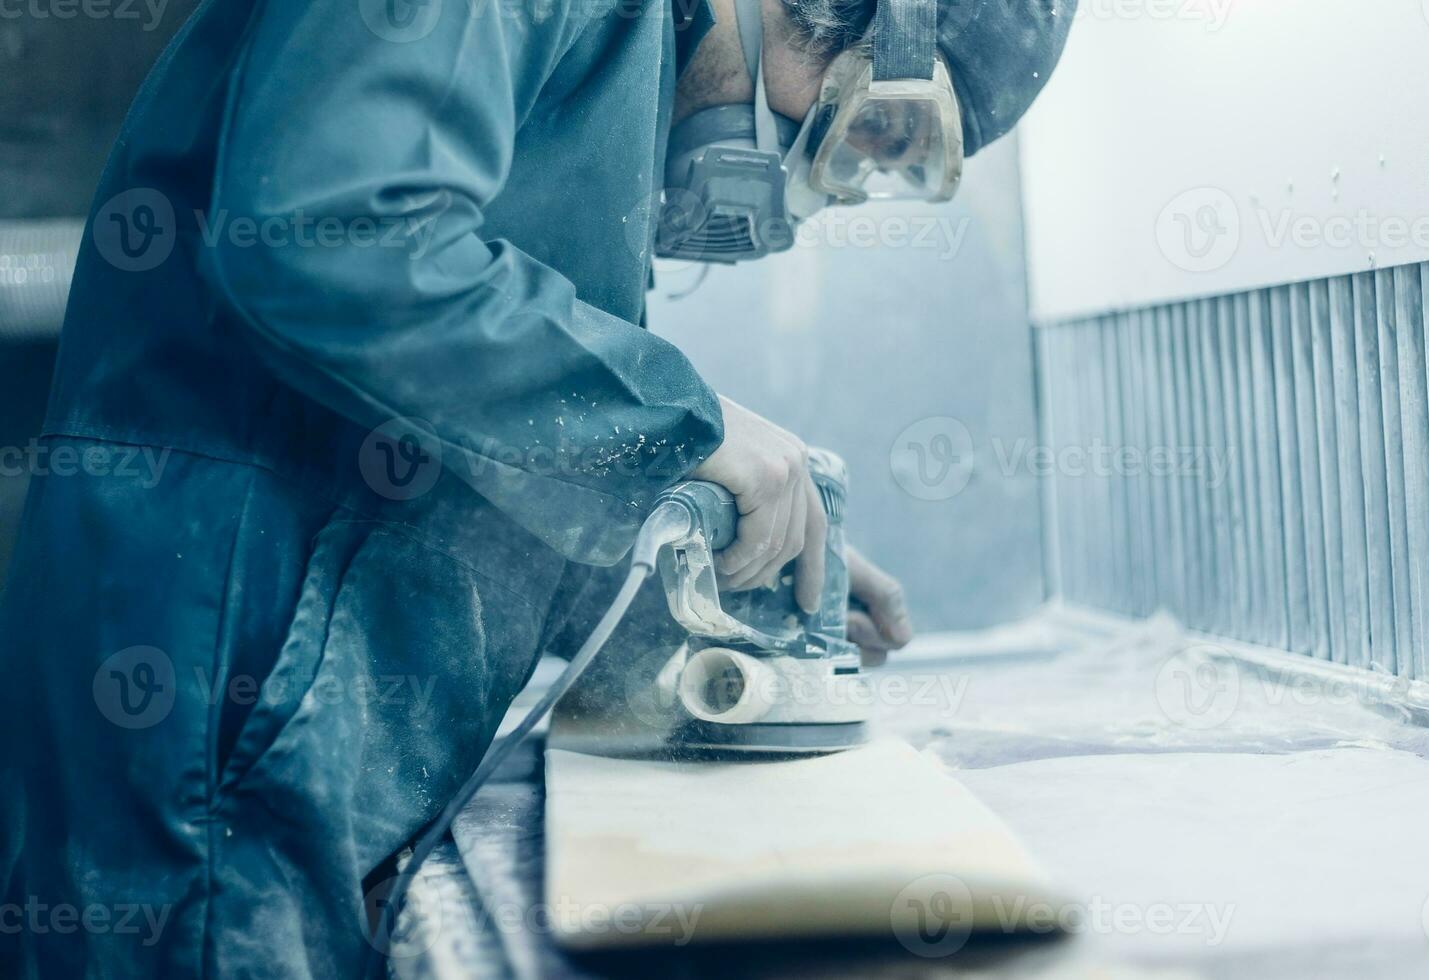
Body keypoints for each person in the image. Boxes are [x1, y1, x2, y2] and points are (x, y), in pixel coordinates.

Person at [0, 0, 1074, 974]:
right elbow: (331, 231)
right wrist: (677, 424)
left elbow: (451, 442)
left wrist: (695, 575)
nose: (820, 186)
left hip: (285, 670)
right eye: (870, 134)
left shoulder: (612, 72)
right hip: (212, 644)